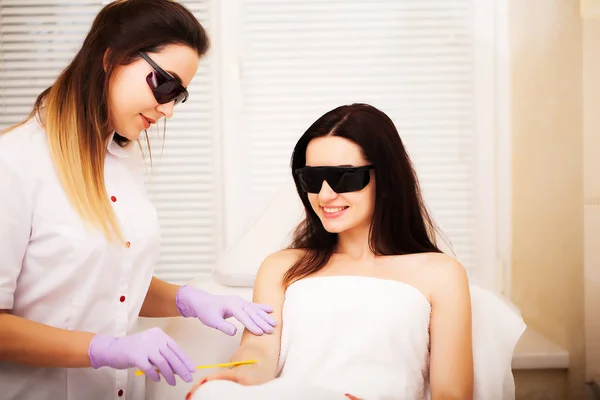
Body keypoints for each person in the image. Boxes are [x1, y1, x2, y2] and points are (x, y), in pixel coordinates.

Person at [0, 1, 276, 399]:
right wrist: (104, 348)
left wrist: (188, 299)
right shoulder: (14, 163)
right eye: (164, 84)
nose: (167, 109)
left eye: (178, 95)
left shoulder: (123, 160)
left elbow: (111, 282)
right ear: (111, 57)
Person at [186, 103, 526, 400]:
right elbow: (259, 352)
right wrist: (236, 377)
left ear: (386, 178)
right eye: (311, 179)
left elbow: (452, 394)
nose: (325, 194)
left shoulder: (440, 273)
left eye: (344, 178)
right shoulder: (281, 267)